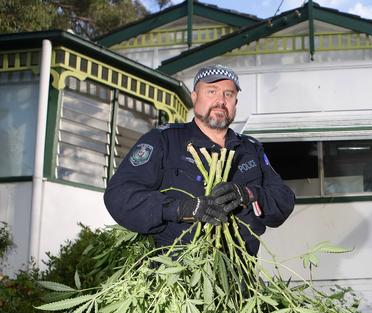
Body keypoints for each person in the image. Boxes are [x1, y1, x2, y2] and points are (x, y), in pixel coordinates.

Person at [104, 64, 295, 255]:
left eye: (228, 94)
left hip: (240, 276)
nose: (221, 100)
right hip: (178, 274)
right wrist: (181, 208)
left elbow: (283, 198)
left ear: (235, 103)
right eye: (212, 91)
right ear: (195, 97)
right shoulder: (164, 140)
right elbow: (119, 195)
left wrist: (248, 194)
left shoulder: (250, 149)